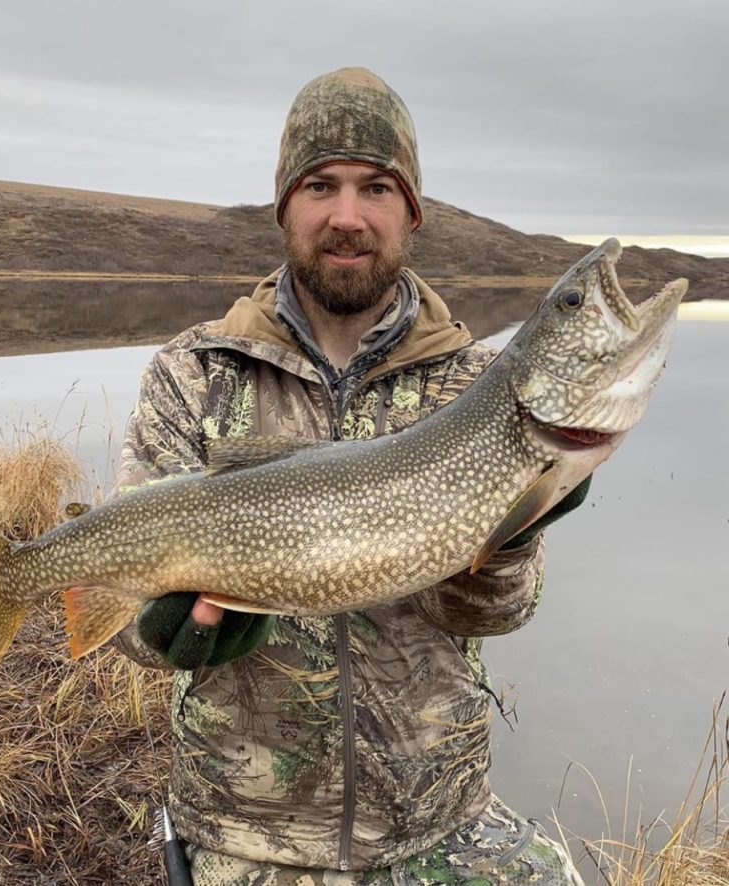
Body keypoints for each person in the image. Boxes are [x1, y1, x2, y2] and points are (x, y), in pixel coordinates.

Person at [114, 67, 587, 885]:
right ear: (283, 207)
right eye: (320, 186)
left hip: (440, 819)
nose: (347, 216)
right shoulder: (193, 374)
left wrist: (512, 530)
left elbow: (499, 611)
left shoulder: (478, 386)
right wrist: (160, 631)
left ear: (412, 210)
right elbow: (130, 610)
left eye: (375, 187)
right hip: (246, 831)